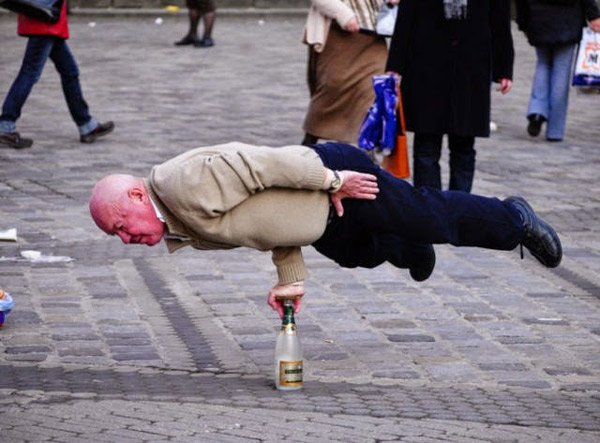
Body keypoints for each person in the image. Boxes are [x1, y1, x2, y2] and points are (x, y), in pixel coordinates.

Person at [89, 142, 562, 318]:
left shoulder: (181, 185)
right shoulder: (176, 221)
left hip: (335, 178)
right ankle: (407, 245)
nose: (126, 238)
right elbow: (265, 225)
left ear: (135, 198)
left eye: (120, 227)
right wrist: (290, 275)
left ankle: (514, 219)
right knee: (362, 254)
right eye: (118, 238)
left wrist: (332, 179)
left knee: (429, 214)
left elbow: (265, 164)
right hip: (321, 216)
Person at [386, 0, 514, 193]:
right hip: (426, 63)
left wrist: (504, 68)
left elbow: (500, 20)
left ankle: (460, 206)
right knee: (426, 143)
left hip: (470, 66)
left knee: (463, 143)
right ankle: (429, 207)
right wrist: (395, 65)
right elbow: (407, 15)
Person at [0, 1, 114, 149]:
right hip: (45, 19)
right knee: (30, 73)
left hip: (47, 18)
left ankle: (86, 125)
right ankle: (6, 125)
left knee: (69, 72)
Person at [301, 0, 399, 146]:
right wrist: (344, 14)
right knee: (332, 89)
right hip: (338, 33)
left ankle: (369, 148)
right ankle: (310, 140)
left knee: (377, 88)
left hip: (373, 36)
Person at [516, 0, 600, 142]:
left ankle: (537, 111)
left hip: (538, 18)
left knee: (543, 64)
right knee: (561, 70)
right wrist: (593, 15)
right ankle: (555, 130)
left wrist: (523, 22)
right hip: (568, 19)